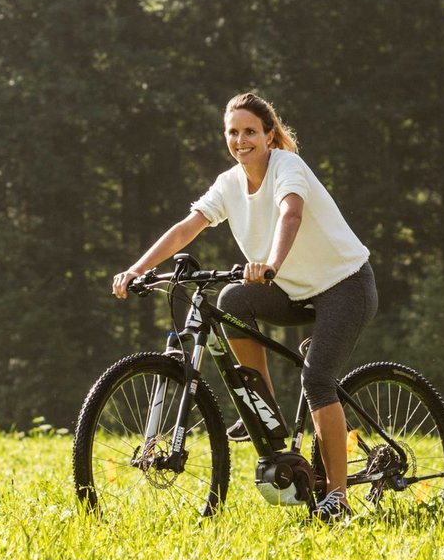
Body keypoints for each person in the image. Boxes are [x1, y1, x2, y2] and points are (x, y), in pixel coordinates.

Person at [112, 92, 376, 522]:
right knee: (232, 298)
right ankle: (263, 409)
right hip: (294, 291)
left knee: (317, 381)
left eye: (250, 132)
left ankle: (338, 498)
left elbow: (290, 214)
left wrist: (270, 265)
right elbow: (187, 228)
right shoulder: (229, 183)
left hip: (345, 286)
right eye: (233, 133)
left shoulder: (288, 168)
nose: (241, 140)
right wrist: (137, 269)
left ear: (269, 136)